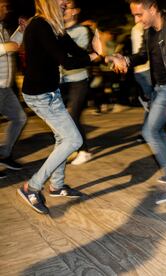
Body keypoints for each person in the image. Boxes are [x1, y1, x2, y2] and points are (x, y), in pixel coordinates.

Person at [107, 0, 166, 205]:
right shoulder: (150, 32)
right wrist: (125, 60)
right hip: (160, 88)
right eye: (134, 15)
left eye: (139, 15)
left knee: (150, 132)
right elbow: (141, 56)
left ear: (153, 9)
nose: (136, 20)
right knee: (157, 132)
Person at [17, 0, 101, 214]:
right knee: (73, 140)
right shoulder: (39, 26)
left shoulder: (54, 26)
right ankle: (31, 187)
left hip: (51, 92)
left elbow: (76, 52)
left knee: (62, 138)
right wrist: (96, 56)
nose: (66, 2)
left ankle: (56, 185)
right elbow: (67, 61)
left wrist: (102, 55)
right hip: (39, 95)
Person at [60, 0, 93, 165]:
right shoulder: (59, 30)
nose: (64, 10)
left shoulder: (82, 30)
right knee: (66, 117)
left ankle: (84, 151)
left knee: (73, 115)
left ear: (75, 11)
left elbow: (74, 55)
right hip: (61, 81)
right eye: (63, 7)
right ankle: (74, 148)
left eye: (68, 7)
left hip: (78, 80)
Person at [0, 0, 27, 178]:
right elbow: (5, 48)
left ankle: (4, 154)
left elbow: (12, 47)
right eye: (1, 6)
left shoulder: (2, 29)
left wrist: (21, 32)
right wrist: (3, 47)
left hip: (4, 87)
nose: (6, 9)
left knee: (20, 118)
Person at [131, 22, 154, 143]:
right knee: (150, 103)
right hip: (143, 70)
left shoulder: (140, 28)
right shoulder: (141, 28)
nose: (136, 18)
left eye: (138, 15)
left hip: (143, 70)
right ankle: (148, 131)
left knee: (150, 103)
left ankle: (148, 131)